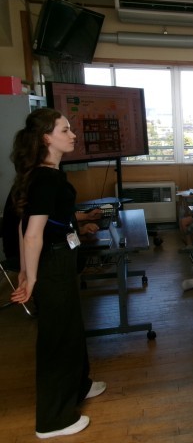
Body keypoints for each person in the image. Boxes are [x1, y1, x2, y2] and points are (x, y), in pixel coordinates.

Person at [10, 108, 105, 439]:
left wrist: (25, 269)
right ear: (46, 138)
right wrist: (32, 277)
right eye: (65, 130)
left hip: (57, 261)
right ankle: (53, 420)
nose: (73, 135)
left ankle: (79, 386)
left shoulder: (44, 174)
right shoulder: (46, 178)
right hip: (52, 266)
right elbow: (32, 234)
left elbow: (25, 225)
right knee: (57, 341)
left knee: (72, 330)